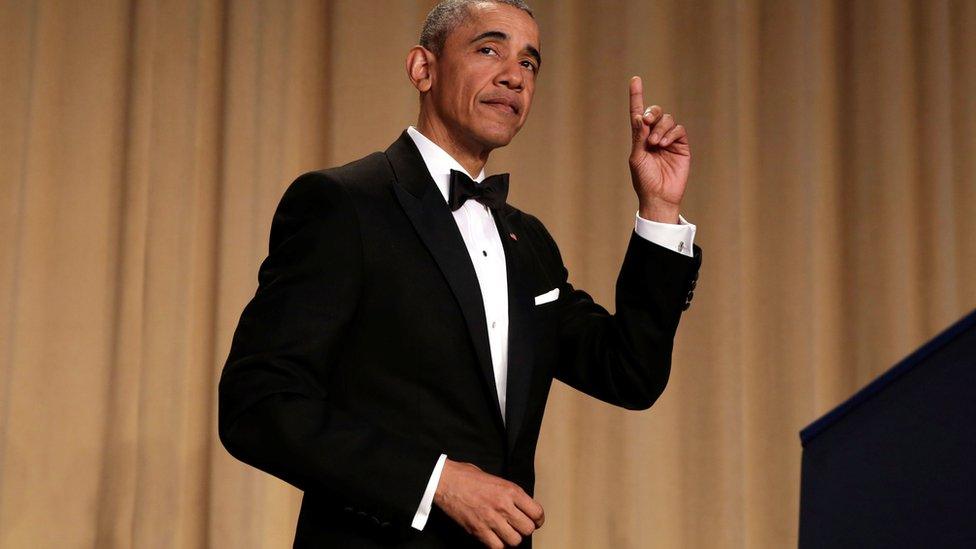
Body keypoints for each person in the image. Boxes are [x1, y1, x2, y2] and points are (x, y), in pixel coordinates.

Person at [217, 0, 701, 547]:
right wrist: (436, 481)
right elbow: (258, 406)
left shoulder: (528, 242)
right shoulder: (343, 205)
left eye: (530, 63)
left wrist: (659, 210)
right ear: (422, 69)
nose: (514, 77)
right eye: (489, 49)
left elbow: (628, 373)